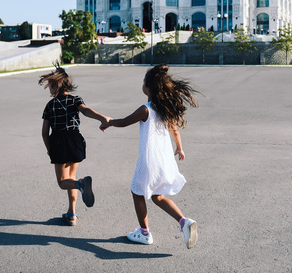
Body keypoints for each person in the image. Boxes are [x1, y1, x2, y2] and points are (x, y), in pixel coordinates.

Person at [101, 64, 199, 249]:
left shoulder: (145, 109)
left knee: (137, 191)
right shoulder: (165, 110)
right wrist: (180, 148)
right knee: (157, 196)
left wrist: (109, 122)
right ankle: (184, 222)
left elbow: (124, 122)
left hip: (149, 161)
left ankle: (144, 233)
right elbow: (175, 131)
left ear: (148, 87)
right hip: (165, 160)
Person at [39, 63, 108, 226]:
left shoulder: (50, 105)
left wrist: (50, 150)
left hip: (58, 142)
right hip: (75, 139)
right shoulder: (75, 99)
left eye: (50, 86)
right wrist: (102, 118)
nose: (49, 89)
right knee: (71, 176)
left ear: (56, 86)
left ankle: (81, 185)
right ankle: (72, 213)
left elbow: (44, 132)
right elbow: (85, 110)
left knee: (63, 182)